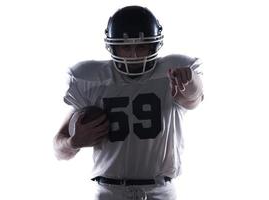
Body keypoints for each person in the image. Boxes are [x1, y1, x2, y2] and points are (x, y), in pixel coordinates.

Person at [53, 5, 204, 200]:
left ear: (154, 45)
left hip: (160, 191)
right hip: (108, 191)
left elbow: (195, 98)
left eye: (141, 46)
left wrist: (188, 81)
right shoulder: (91, 79)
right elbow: (58, 149)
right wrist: (74, 142)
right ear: (113, 46)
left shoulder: (172, 72)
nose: (133, 55)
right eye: (126, 46)